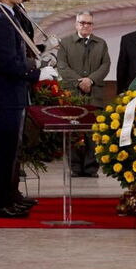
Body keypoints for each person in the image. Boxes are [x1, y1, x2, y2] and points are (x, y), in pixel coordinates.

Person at [0, 0, 59, 217]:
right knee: (3, 152)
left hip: (12, 94)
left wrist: (41, 52)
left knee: (11, 150)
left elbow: (18, 54)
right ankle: (0, 204)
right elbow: (8, 64)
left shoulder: (9, 18)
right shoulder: (0, 22)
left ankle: (10, 196)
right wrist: (37, 74)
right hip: (5, 96)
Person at [58, 12, 111, 177]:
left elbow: (105, 65)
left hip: (94, 94)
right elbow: (62, 66)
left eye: (89, 23)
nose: (85, 26)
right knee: (72, 132)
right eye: (82, 23)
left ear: (92, 25)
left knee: (92, 133)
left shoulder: (101, 44)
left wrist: (91, 80)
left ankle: (90, 167)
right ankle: (75, 167)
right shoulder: (65, 43)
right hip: (72, 95)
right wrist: (79, 82)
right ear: (76, 25)